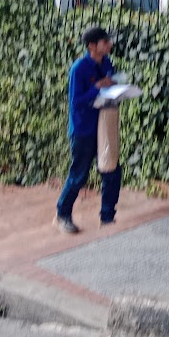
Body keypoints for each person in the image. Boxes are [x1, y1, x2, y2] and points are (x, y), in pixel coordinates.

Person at [54, 26, 121, 233]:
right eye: (104, 42)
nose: (109, 44)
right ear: (92, 46)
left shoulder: (107, 63)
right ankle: (62, 215)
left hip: (104, 126)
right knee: (79, 174)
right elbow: (76, 102)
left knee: (111, 170)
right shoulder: (79, 69)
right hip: (83, 130)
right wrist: (97, 87)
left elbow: (108, 87)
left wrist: (117, 87)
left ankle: (107, 217)